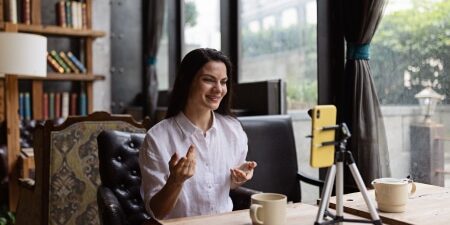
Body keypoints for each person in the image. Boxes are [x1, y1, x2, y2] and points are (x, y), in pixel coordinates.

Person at [139, 48, 257, 220]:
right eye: (209, 80)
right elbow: (157, 212)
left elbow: (222, 186)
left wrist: (237, 177)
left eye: (223, 82)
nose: (218, 89)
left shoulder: (234, 130)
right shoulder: (157, 138)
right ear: (187, 81)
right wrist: (175, 181)